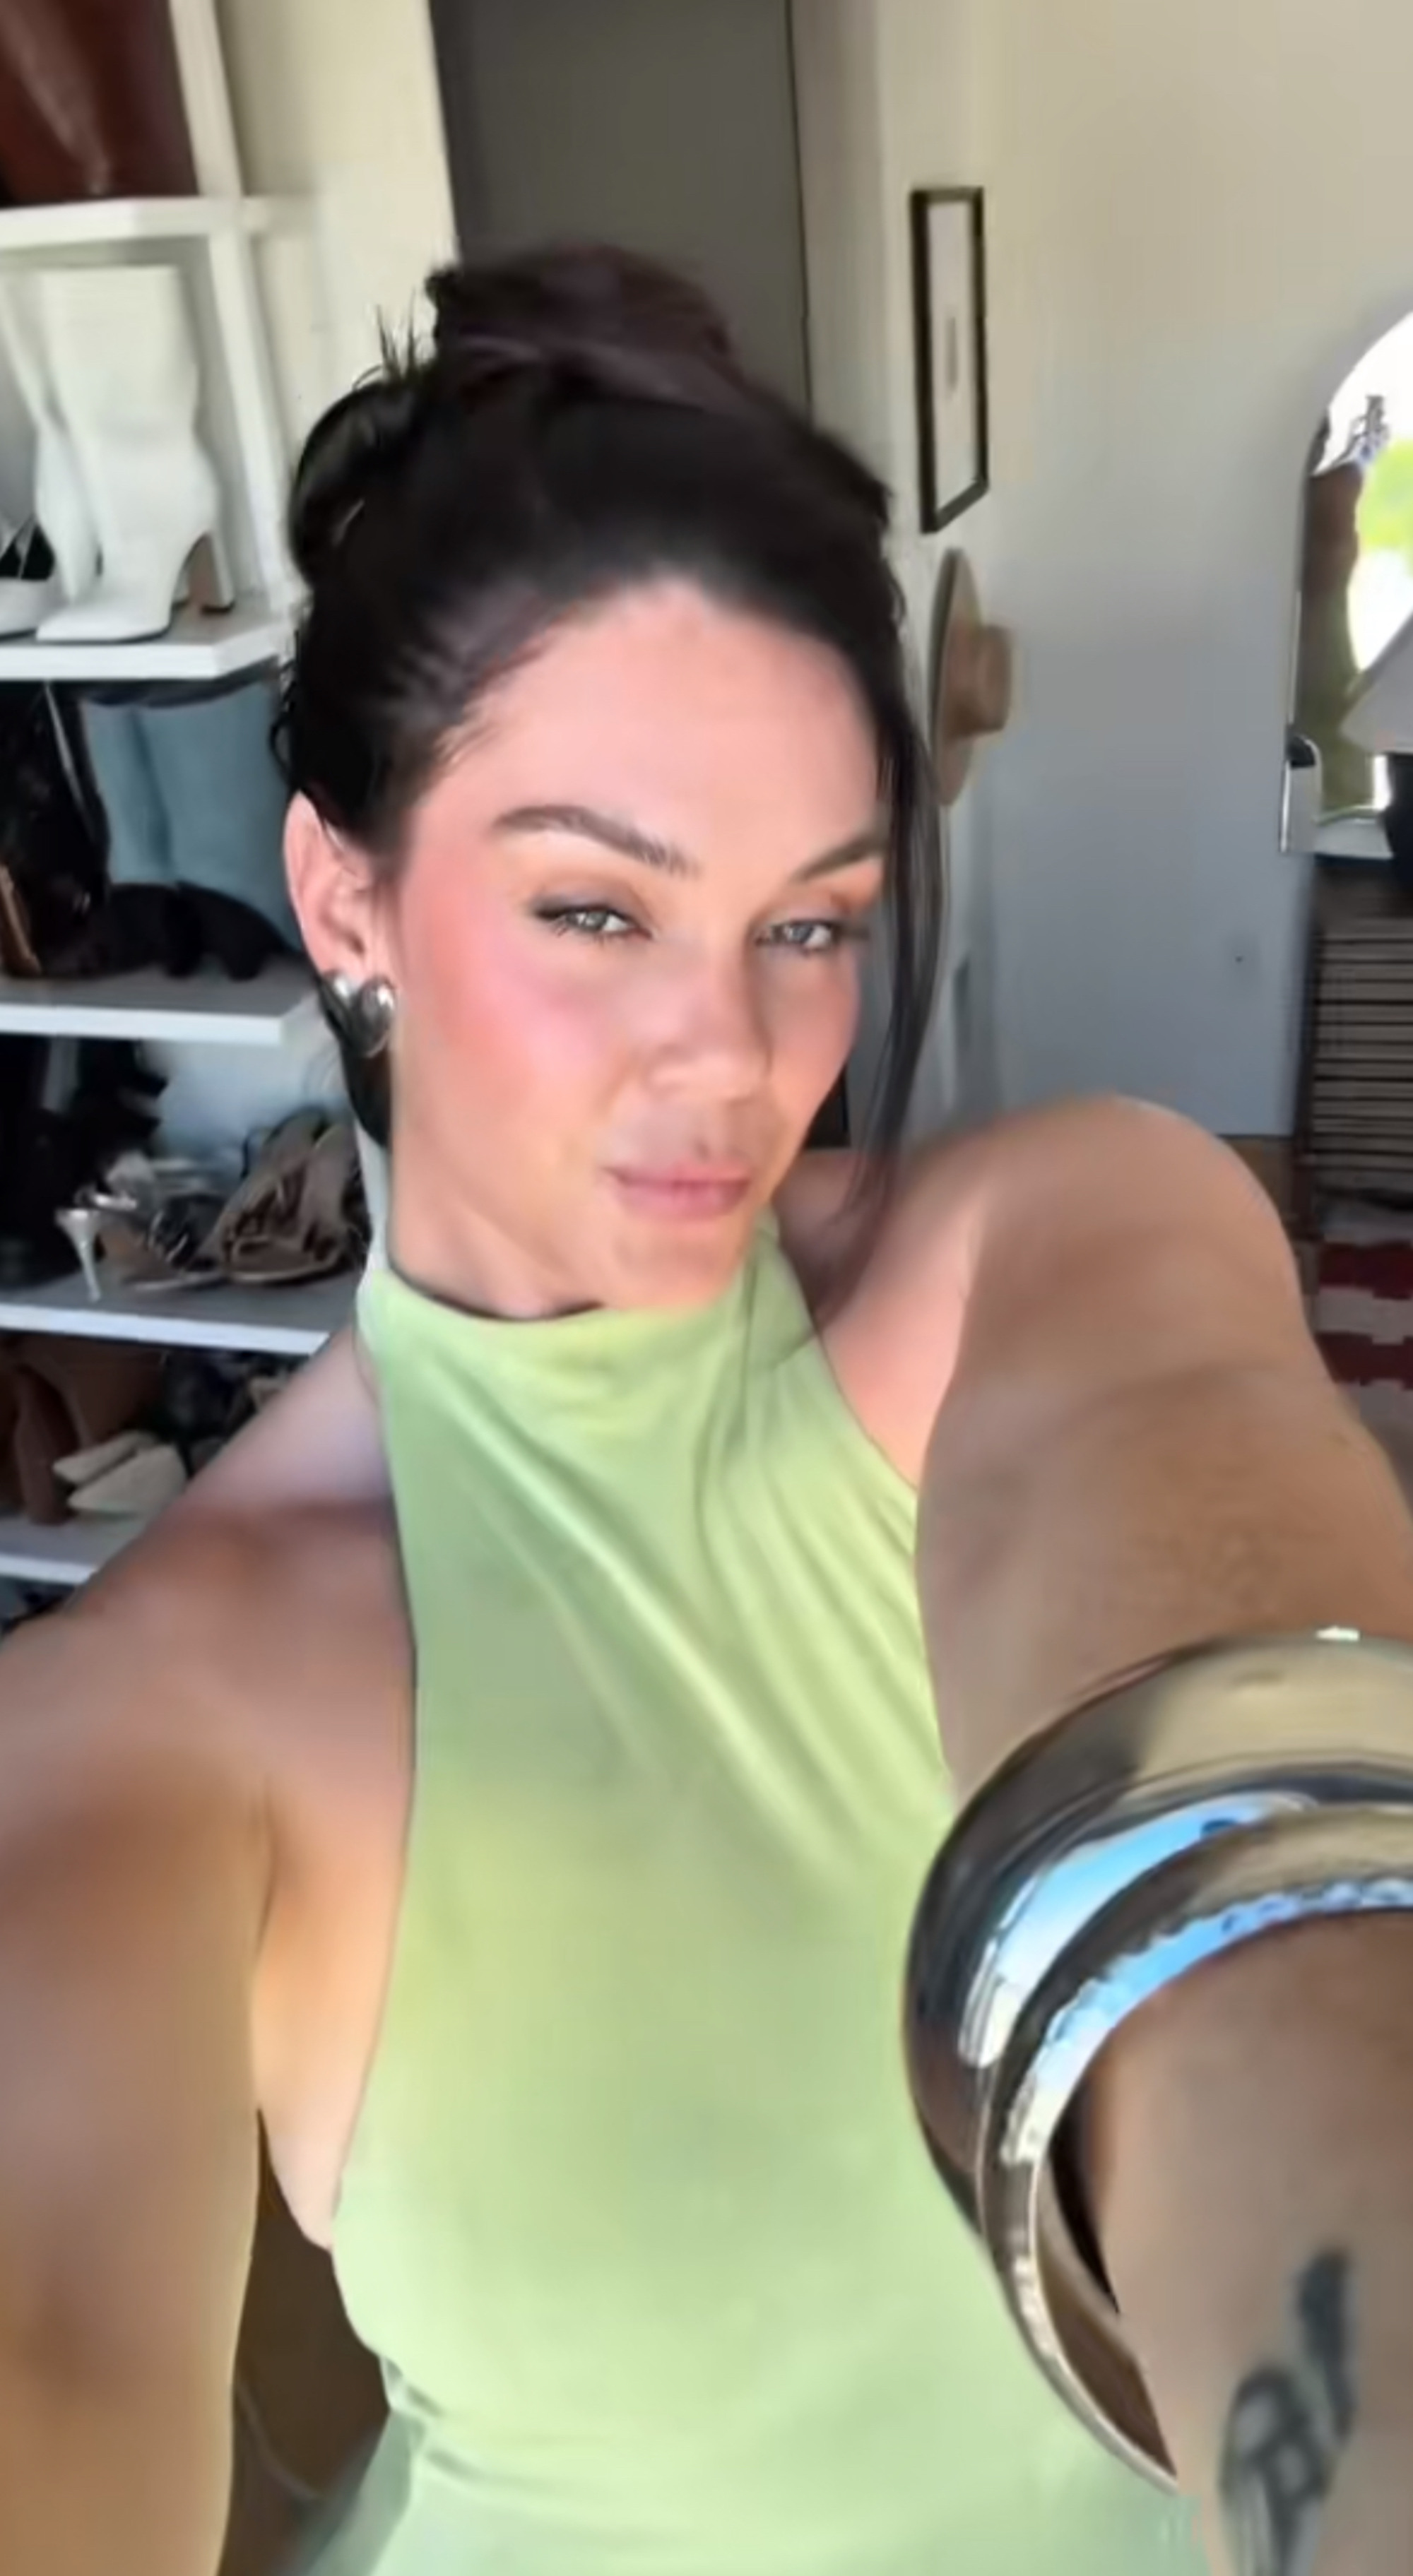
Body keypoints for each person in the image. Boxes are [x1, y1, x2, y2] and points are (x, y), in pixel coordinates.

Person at [5, 247, 1413, 2576]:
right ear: (344, 900)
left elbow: (1244, 1744)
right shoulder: (156, 1701)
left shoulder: (1064, 1240)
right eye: (595, 912)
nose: (736, 1055)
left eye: (809, 922)